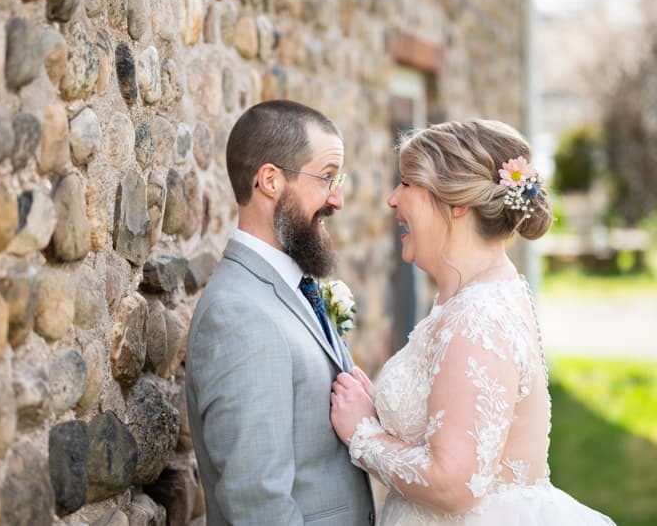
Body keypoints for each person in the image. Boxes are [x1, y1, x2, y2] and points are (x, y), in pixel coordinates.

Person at [330, 119, 616, 525]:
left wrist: (362, 434)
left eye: (409, 183)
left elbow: (453, 482)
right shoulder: (477, 293)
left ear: (457, 202)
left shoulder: (477, 315)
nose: (394, 199)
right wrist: (378, 409)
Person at [185, 100, 376, 525]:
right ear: (269, 180)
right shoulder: (238, 315)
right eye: (326, 177)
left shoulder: (294, 289)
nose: (338, 199)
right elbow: (257, 503)